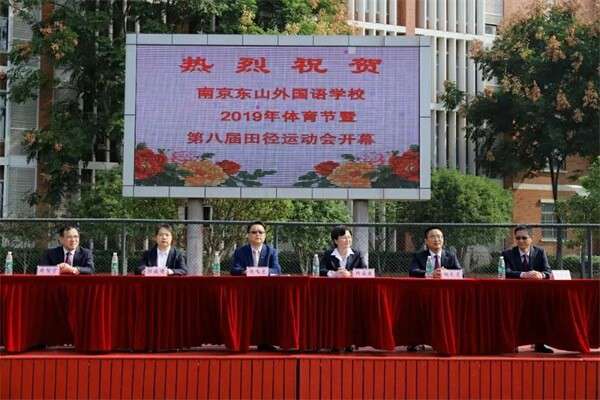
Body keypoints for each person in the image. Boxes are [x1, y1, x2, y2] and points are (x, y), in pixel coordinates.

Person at [502, 225, 553, 353]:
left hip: (535, 294)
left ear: (531, 238)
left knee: (540, 313)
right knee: (513, 316)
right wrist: (524, 274)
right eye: (518, 238)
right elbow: (505, 272)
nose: (520, 241)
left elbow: (548, 271)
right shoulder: (507, 254)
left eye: (524, 238)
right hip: (514, 294)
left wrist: (541, 275)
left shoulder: (540, 252)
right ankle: (513, 344)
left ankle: (539, 344)